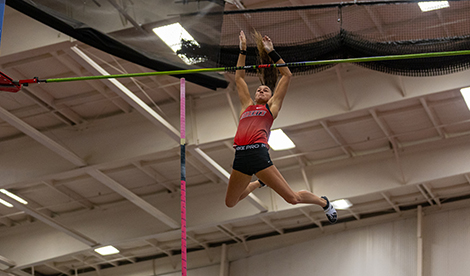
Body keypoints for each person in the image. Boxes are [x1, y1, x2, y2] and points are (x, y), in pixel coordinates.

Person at [225, 30, 337, 224]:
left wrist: (272, 52)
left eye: (266, 89)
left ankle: (323, 203)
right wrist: (242, 50)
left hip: (258, 155)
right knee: (230, 202)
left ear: (271, 96)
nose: (261, 90)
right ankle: (257, 184)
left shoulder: (271, 108)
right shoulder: (246, 106)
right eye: (258, 89)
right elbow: (239, 79)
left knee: (292, 198)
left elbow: (286, 75)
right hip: (241, 156)